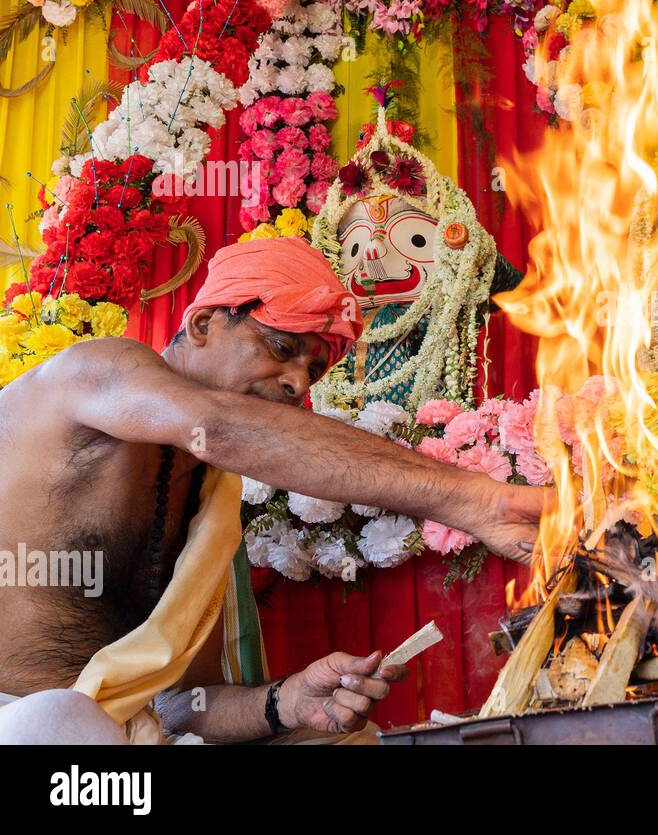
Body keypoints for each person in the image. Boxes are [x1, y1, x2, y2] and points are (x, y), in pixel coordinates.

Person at [0, 237, 545, 743]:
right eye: (282, 347)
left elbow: (184, 705)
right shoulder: (94, 370)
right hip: (27, 725)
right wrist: (474, 499)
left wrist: (287, 702)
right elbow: (219, 424)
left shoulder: (211, 495)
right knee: (59, 717)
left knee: (355, 740)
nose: (299, 383)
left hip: (116, 743)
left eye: (314, 369)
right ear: (204, 323)